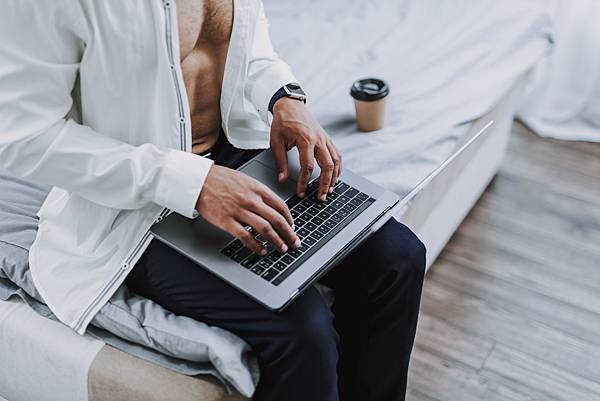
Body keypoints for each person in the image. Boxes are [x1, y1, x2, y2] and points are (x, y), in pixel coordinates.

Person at [0, 1, 425, 400]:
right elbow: (23, 137)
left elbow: (243, 35)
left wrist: (283, 97)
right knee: (303, 331)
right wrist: (193, 182)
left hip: (234, 150)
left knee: (399, 259)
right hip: (135, 206)